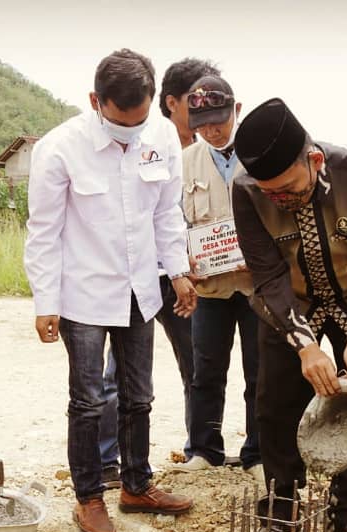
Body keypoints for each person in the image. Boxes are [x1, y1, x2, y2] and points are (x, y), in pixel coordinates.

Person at [24, 49, 197, 532]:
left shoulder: (161, 135)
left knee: (138, 395)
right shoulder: (60, 148)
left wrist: (178, 270)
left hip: (140, 288)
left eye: (140, 119)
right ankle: (89, 496)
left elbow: (166, 213)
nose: (132, 130)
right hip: (81, 294)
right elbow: (44, 230)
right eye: (122, 122)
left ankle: (137, 485)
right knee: (87, 401)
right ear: (94, 101)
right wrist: (44, 301)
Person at [232, 98, 347, 532]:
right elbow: (266, 275)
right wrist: (305, 345)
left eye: (287, 189)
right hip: (290, 303)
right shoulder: (246, 189)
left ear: (315, 160)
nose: (278, 200)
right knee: (274, 404)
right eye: (270, 194)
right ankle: (281, 510)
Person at [95, 57, 219, 484]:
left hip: (188, 277)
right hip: (140, 279)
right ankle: (107, 461)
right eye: (195, 101)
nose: (205, 109)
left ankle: (199, 452)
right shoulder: (137, 142)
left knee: (197, 367)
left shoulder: (215, 154)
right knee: (120, 376)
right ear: (170, 102)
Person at [170, 75, 262, 482]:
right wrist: (182, 261)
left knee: (261, 371)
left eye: (219, 121)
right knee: (205, 369)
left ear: (236, 111)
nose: (211, 130)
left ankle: (258, 451)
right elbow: (170, 221)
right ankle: (203, 450)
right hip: (210, 287)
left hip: (259, 286)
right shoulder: (185, 161)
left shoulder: (264, 155)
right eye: (202, 123)